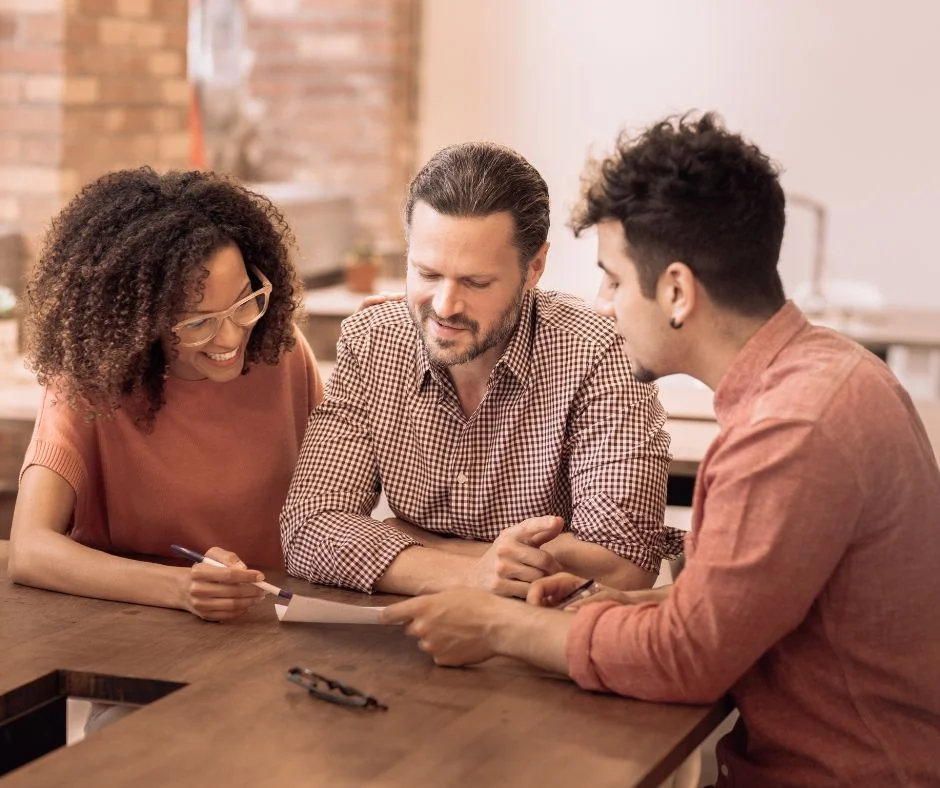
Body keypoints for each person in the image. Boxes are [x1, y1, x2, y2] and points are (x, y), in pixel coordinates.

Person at [380, 114, 940, 786]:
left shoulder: (791, 429)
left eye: (614, 279)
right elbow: (739, 608)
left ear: (676, 290)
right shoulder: (828, 372)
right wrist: (609, 607)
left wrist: (498, 627)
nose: (603, 303)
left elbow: (687, 658)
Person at [280, 141, 681, 597]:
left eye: (476, 282)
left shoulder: (598, 351)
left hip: (537, 648)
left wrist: (409, 542)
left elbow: (624, 563)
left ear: (534, 269)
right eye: (428, 274)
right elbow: (308, 528)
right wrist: (470, 574)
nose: (445, 306)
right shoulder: (373, 342)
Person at [9, 167, 324, 623]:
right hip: (131, 634)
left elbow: (331, 505)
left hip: (272, 623)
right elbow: (31, 549)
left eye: (244, 301)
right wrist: (181, 588)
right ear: (140, 320)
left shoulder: (280, 349)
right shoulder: (92, 378)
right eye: (197, 322)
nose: (230, 337)